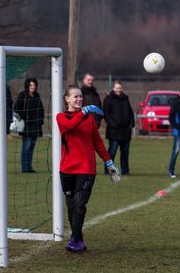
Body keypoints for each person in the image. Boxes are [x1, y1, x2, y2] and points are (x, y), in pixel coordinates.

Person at [56, 85, 120, 253]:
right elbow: (70, 126)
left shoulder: (89, 119)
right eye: (75, 97)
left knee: (79, 205)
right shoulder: (61, 117)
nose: (79, 99)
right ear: (67, 99)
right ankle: (79, 239)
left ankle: (74, 239)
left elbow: (97, 142)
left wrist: (109, 162)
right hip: (67, 169)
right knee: (70, 207)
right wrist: (85, 112)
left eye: (80, 97)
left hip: (86, 168)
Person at [103, 80, 135, 175]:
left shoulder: (125, 99)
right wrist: (112, 124)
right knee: (112, 152)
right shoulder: (108, 99)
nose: (118, 90)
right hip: (114, 131)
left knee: (125, 153)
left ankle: (125, 171)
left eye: (120, 88)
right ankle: (108, 170)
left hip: (125, 131)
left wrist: (131, 124)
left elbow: (130, 112)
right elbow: (106, 113)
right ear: (113, 88)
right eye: (117, 88)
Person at [14, 78, 44, 173]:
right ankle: (24, 168)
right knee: (26, 146)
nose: (33, 87)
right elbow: (16, 108)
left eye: (34, 85)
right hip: (26, 125)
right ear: (27, 86)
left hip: (36, 126)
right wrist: (24, 117)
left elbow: (41, 109)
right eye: (31, 85)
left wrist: (40, 120)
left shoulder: (37, 96)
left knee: (31, 147)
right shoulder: (22, 95)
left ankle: (29, 167)